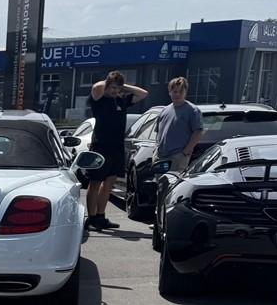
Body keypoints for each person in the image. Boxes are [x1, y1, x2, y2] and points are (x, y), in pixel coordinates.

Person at [85, 70, 147, 231]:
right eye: (112, 88)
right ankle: (91, 218)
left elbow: (143, 94)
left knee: (109, 183)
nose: (114, 91)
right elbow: (96, 87)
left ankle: (100, 216)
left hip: (116, 147)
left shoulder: (122, 100)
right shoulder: (99, 99)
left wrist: (122, 86)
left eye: (117, 89)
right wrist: (108, 83)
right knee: (95, 182)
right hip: (100, 146)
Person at [154, 77, 203, 173]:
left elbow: (198, 132)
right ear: (169, 92)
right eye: (175, 91)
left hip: (177, 157)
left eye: (181, 91)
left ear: (185, 92)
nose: (177, 94)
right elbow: (158, 132)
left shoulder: (192, 110)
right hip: (160, 157)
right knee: (160, 185)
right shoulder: (165, 110)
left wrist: (185, 152)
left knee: (173, 186)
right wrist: (156, 149)